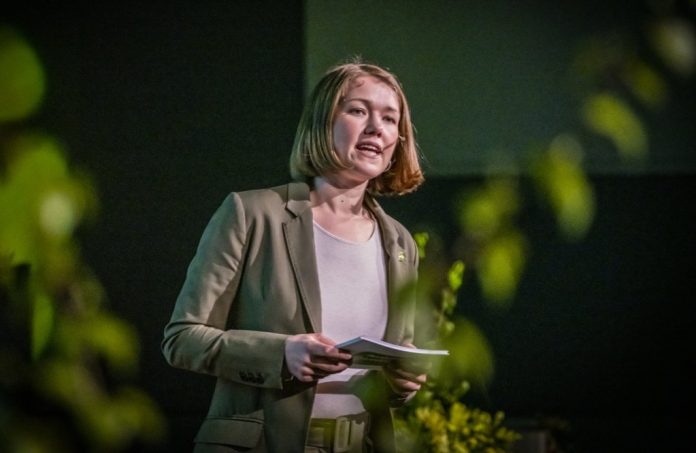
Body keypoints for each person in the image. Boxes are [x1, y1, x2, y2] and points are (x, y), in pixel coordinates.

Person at [162, 60, 427, 453]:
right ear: (322, 122)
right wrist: (280, 354)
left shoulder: (400, 243)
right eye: (358, 110)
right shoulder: (252, 214)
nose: (377, 127)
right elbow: (182, 339)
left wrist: (401, 383)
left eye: (390, 119)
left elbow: (391, 366)